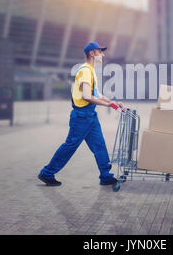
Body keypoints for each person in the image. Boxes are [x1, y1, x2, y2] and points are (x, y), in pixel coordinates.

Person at [38, 41, 124, 186]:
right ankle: (47, 173)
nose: (103, 55)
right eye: (100, 52)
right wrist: (108, 104)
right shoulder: (85, 70)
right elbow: (86, 96)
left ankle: (105, 176)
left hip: (90, 116)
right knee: (70, 145)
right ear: (92, 53)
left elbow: (97, 94)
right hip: (82, 116)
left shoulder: (90, 71)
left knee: (99, 145)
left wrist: (114, 103)